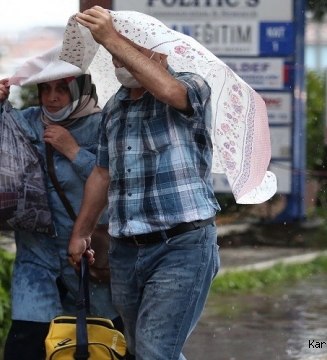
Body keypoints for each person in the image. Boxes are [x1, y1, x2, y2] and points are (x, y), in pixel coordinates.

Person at [66, 7, 223, 360]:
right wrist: (81, 232)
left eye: (131, 48)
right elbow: (102, 174)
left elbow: (169, 91)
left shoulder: (190, 85)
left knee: (154, 352)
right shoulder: (114, 108)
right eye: (116, 50)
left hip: (182, 246)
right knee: (144, 351)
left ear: (160, 52)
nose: (120, 56)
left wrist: (110, 36)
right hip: (126, 250)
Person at [0, 46, 123, 360]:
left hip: (89, 257)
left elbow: (116, 180)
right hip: (37, 254)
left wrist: (74, 151)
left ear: (81, 88)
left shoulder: (104, 125)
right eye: (45, 88)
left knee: (101, 341)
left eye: (63, 88)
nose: (52, 97)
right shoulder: (25, 121)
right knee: (27, 341)